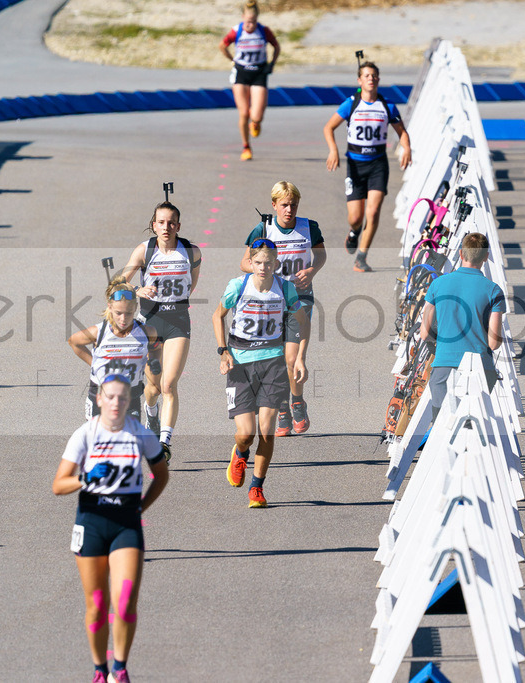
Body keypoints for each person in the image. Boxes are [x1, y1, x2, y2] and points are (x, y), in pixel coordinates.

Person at [52, 374, 169, 683]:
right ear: (99, 400)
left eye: (122, 398)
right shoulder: (85, 435)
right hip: (91, 522)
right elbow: (58, 485)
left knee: (126, 600)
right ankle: (99, 670)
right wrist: (86, 479)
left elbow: (161, 474)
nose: (116, 403)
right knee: (97, 605)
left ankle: (119, 667)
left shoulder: (141, 435)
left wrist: (142, 507)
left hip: (126, 525)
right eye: (111, 397)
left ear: (129, 402)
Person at [214, 239, 307, 507]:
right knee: (246, 434)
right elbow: (217, 316)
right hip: (240, 365)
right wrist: (223, 351)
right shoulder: (238, 286)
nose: (263, 267)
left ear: (277, 263)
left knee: (266, 431)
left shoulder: (285, 288)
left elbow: (303, 322)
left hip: (273, 363)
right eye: (258, 263)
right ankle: (241, 453)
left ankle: (256, 488)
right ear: (250, 264)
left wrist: (300, 357)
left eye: (268, 263)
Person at [240, 181, 326, 436]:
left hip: (300, 297)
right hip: (271, 302)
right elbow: (245, 262)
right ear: (274, 205)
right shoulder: (263, 229)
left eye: (293, 205)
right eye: (285, 205)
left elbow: (320, 255)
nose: (289, 210)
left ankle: (297, 403)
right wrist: (262, 269)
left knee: (292, 359)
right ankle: (283, 409)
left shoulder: (309, 227)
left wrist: (312, 269)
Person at [121, 201, 202, 462]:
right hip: (150, 322)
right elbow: (117, 283)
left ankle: (164, 443)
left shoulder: (191, 251)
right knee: (153, 389)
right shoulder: (145, 251)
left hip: (178, 321)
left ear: (178, 225)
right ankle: (151, 413)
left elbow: (192, 284)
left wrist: (175, 301)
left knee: (169, 384)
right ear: (153, 225)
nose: (166, 227)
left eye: (171, 223)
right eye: (161, 222)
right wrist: (138, 290)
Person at [324, 60, 412, 273]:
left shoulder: (387, 106)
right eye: (366, 75)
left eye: (374, 75)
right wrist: (333, 150)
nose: (370, 79)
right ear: (359, 80)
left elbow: (402, 132)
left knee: (372, 213)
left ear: (378, 80)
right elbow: (329, 127)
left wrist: (407, 148)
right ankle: (354, 232)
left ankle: (361, 257)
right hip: (355, 166)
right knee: (356, 218)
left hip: (378, 166)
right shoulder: (351, 104)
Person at [418, 232, 506, 410]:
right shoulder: (494, 291)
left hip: (444, 365)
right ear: (486, 257)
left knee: (443, 424)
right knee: (477, 422)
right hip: (480, 368)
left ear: (461, 253)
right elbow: (494, 343)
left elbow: (424, 333)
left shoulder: (437, 284)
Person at [68, 276, 160, 422]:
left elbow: (156, 347)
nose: (123, 319)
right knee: (99, 441)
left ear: (135, 308)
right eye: (118, 313)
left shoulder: (147, 332)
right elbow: (73, 341)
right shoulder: (99, 332)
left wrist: (154, 360)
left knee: (129, 441)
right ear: (110, 307)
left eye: (128, 313)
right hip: (100, 393)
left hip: (130, 395)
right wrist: (94, 363)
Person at [219, 0, 280, 161]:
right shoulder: (236, 31)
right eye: (247, 22)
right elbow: (222, 45)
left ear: (257, 20)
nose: (250, 25)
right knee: (244, 112)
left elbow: (276, 46)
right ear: (242, 18)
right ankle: (246, 147)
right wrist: (232, 60)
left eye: (253, 22)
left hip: (259, 73)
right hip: (241, 73)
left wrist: (271, 64)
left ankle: (256, 123)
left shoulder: (264, 31)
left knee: (257, 115)